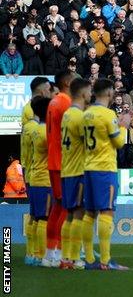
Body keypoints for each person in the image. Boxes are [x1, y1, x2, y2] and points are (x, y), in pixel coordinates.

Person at [81, 79, 128, 270]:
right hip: (105, 168)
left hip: (88, 167)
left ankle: (90, 259)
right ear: (109, 94)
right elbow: (119, 143)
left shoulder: (86, 114)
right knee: (107, 211)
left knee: (90, 213)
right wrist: (123, 125)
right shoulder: (108, 115)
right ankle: (105, 260)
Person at [58, 78, 92, 270]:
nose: (90, 95)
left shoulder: (68, 114)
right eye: (88, 92)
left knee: (70, 214)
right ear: (82, 93)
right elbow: (90, 142)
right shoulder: (80, 117)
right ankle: (74, 257)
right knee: (78, 213)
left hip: (67, 169)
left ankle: (66, 258)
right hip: (78, 169)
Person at [43, 70, 74, 268]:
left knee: (58, 207)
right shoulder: (65, 102)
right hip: (63, 162)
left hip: (55, 159)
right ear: (69, 83)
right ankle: (60, 255)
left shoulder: (54, 101)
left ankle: (50, 253)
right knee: (65, 208)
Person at [28, 96, 52, 267]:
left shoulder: (35, 129)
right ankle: (42, 255)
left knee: (36, 217)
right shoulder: (46, 132)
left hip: (35, 176)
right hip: (45, 179)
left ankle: (34, 254)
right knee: (44, 217)